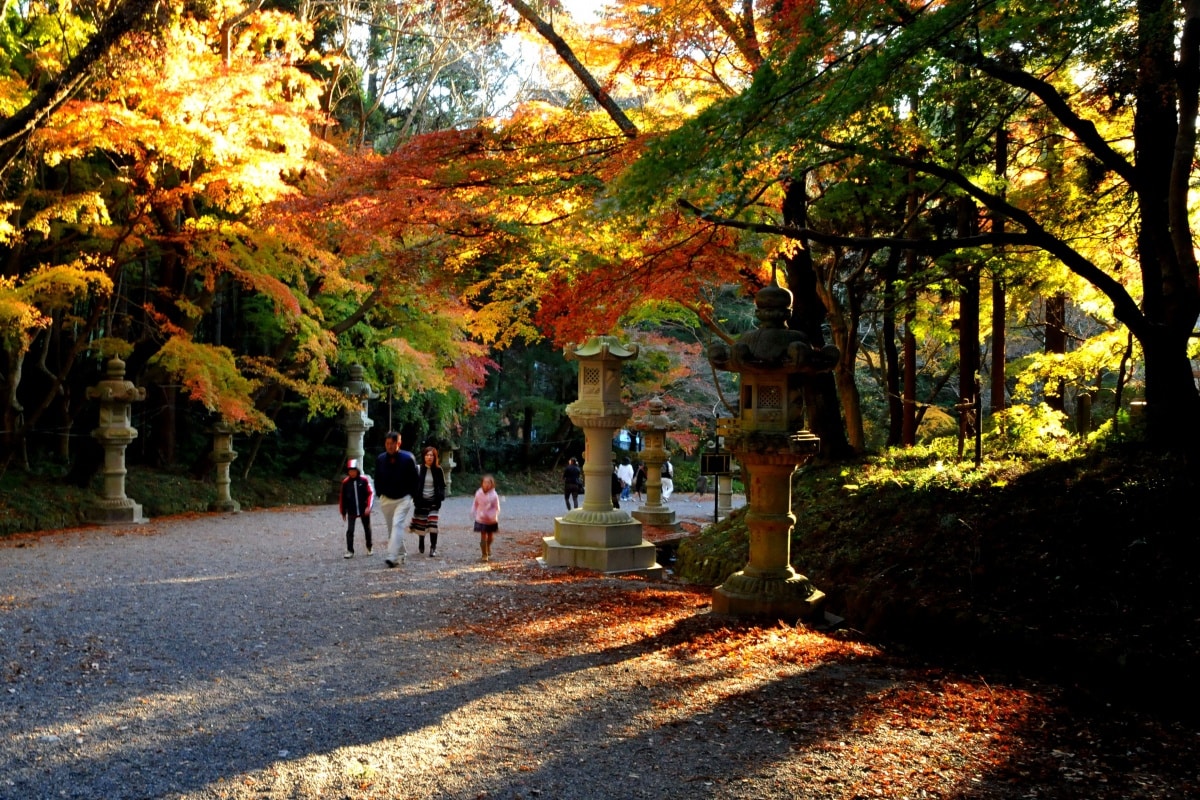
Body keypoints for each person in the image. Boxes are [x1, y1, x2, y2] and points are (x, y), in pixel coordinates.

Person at [376, 431, 419, 568]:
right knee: (391, 528)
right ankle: (401, 553)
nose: (389, 446)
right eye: (387, 443)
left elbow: (415, 480)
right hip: (386, 498)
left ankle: (392, 556)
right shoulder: (381, 459)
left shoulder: (408, 458)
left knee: (397, 525)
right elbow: (377, 477)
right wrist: (379, 493)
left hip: (403, 498)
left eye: (392, 443)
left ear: (398, 443)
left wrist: (413, 496)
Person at [411, 445, 446, 557]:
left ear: (435, 457)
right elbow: (413, 485)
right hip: (421, 502)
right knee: (422, 524)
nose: (429, 457)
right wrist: (415, 497)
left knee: (432, 524)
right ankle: (421, 540)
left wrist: (441, 496)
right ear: (424, 456)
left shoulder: (438, 470)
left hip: (434, 502)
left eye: (431, 455)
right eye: (427, 455)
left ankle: (433, 547)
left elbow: (442, 485)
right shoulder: (418, 469)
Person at [339, 458, 374, 558]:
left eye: (354, 470)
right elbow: (342, 498)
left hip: (364, 509)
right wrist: (343, 511)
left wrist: (369, 506)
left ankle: (369, 546)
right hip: (351, 510)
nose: (352, 473)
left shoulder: (364, 480)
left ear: (357, 470)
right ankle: (350, 550)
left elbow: (370, 493)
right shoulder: (345, 483)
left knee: (367, 529)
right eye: (350, 471)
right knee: (350, 530)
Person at [472, 474, 500, 562]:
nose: (487, 484)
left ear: (492, 484)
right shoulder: (478, 493)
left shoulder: (494, 495)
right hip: (481, 518)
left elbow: (497, 507)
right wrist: (473, 511)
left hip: (491, 519)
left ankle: (488, 546)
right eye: (485, 482)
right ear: (482, 483)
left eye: (489, 483)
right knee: (483, 535)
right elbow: (475, 503)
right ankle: (484, 553)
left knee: (490, 536)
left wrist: (493, 514)